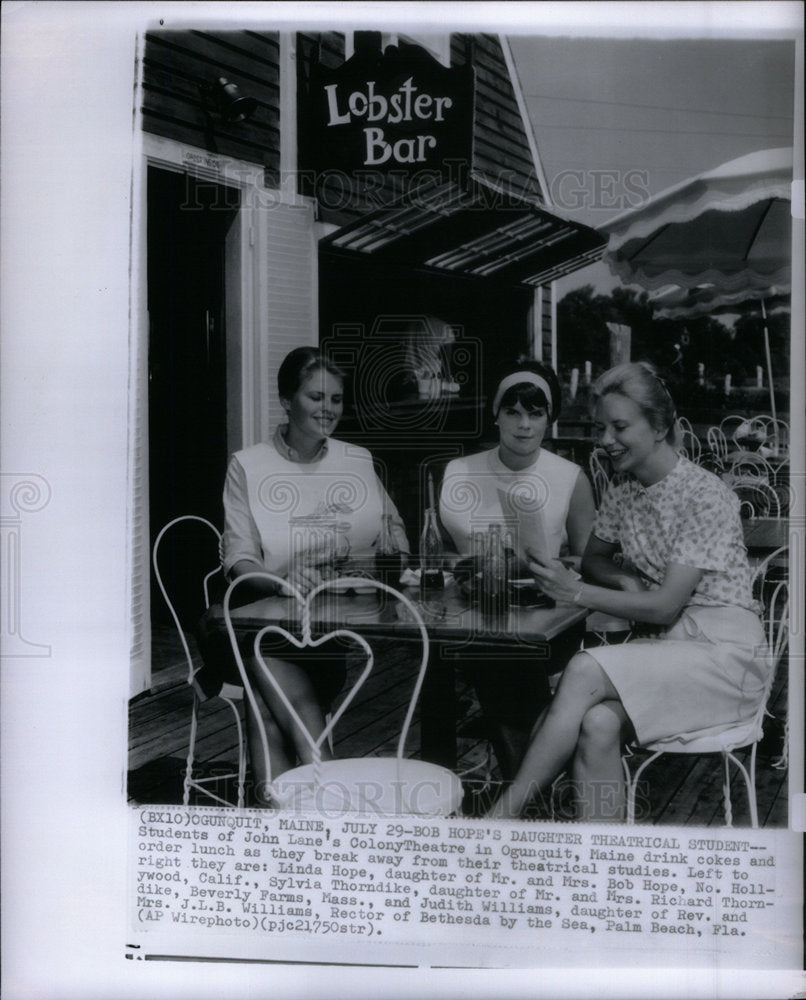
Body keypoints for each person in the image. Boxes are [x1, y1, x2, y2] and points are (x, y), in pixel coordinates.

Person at [489, 362, 767, 821]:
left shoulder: (705, 494)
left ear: (659, 428)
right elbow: (596, 556)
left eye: (620, 427)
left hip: (726, 658)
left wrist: (575, 591)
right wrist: (625, 580)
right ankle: (601, 853)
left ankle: (500, 821)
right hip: (670, 651)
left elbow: (662, 607)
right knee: (598, 723)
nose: (605, 440)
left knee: (582, 667)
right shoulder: (623, 488)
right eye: (602, 427)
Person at [197, 347, 409, 804]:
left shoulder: (357, 460)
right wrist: (284, 581)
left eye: (335, 398)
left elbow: (395, 535)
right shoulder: (248, 465)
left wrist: (373, 557)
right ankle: (333, 792)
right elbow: (238, 559)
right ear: (286, 399)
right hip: (254, 617)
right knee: (266, 665)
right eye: (316, 396)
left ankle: (283, 820)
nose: (328, 408)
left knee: (266, 710)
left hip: (327, 626)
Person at [438, 358, 596, 778]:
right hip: (471, 611)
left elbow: (588, 561)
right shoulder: (459, 472)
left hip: (547, 615)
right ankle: (526, 792)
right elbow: (440, 554)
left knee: (504, 659)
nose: (524, 424)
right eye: (513, 412)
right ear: (496, 416)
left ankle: (519, 790)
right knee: (477, 653)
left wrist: (552, 566)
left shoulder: (569, 478)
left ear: (548, 420)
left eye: (535, 413)